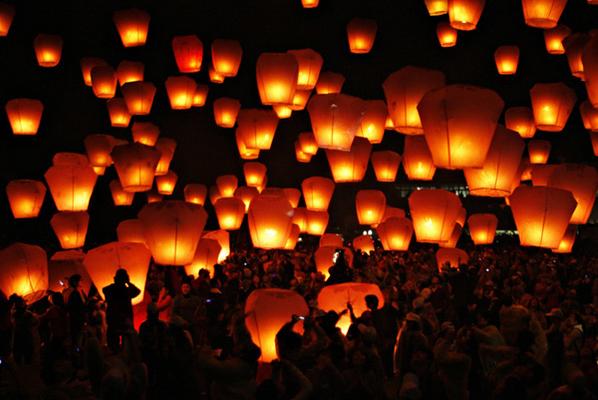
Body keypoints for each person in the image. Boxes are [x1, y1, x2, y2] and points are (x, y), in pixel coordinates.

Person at [102, 268, 141, 353]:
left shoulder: (110, 289)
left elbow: (104, 289)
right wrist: (128, 283)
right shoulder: (127, 290)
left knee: (113, 344)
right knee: (126, 342)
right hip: (125, 318)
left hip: (113, 318)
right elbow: (137, 291)